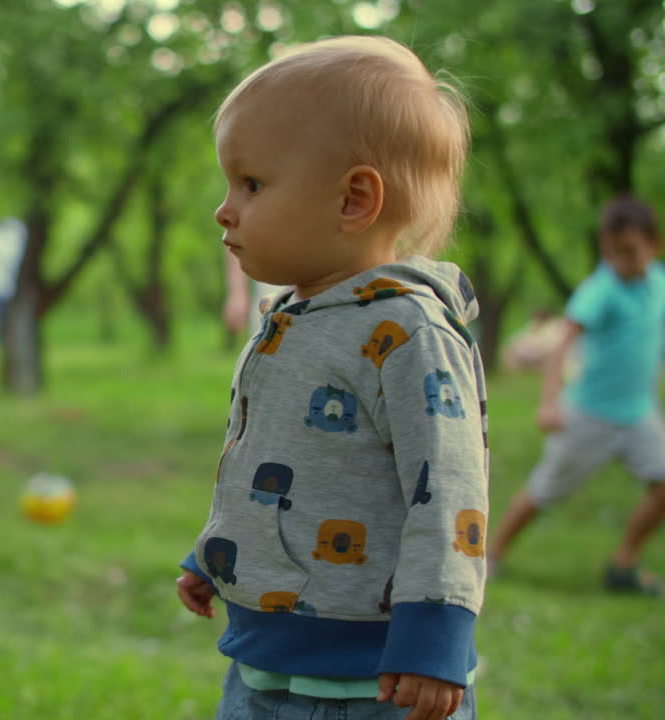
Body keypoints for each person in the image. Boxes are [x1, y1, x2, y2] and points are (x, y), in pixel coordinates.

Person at [174, 36, 486, 720]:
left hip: (377, 683)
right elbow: (273, 461)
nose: (225, 208)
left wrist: (435, 637)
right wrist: (217, 555)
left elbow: (450, 492)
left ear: (353, 200)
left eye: (252, 184)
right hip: (265, 668)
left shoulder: (407, 332)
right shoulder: (290, 317)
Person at [488, 196, 665, 595]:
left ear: (655, 245)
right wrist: (550, 402)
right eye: (611, 253)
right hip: (589, 415)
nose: (620, 261)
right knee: (543, 491)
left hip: (639, 414)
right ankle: (491, 556)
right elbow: (562, 344)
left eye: (630, 252)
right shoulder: (600, 289)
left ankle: (624, 564)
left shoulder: (659, 286)